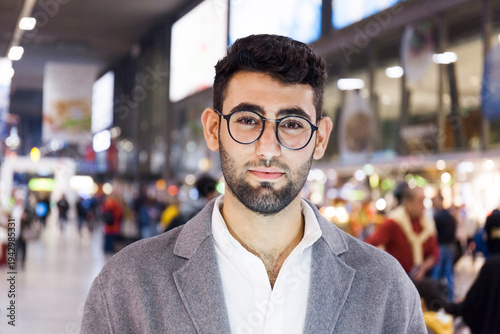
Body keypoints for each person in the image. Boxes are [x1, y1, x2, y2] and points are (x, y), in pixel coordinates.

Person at [81, 34, 426, 333]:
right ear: (214, 129)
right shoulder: (127, 286)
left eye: (292, 124)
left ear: (320, 139)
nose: (268, 148)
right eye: (247, 120)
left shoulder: (384, 288)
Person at [365, 183, 439, 281]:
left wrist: (422, 268)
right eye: (420, 202)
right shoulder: (394, 222)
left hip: (420, 278)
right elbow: (369, 245)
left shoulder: (426, 224)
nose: (423, 206)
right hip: (397, 279)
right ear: (408, 203)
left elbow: (434, 254)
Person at [431, 193, 457, 302]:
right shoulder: (451, 217)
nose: (433, 203)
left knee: (437, 274)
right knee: (449, 274)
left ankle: (433, 298)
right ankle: (450, 299)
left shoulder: (437, 217)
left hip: (440, 247)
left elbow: (433, 234)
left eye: (434, 200)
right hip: (449, 247)